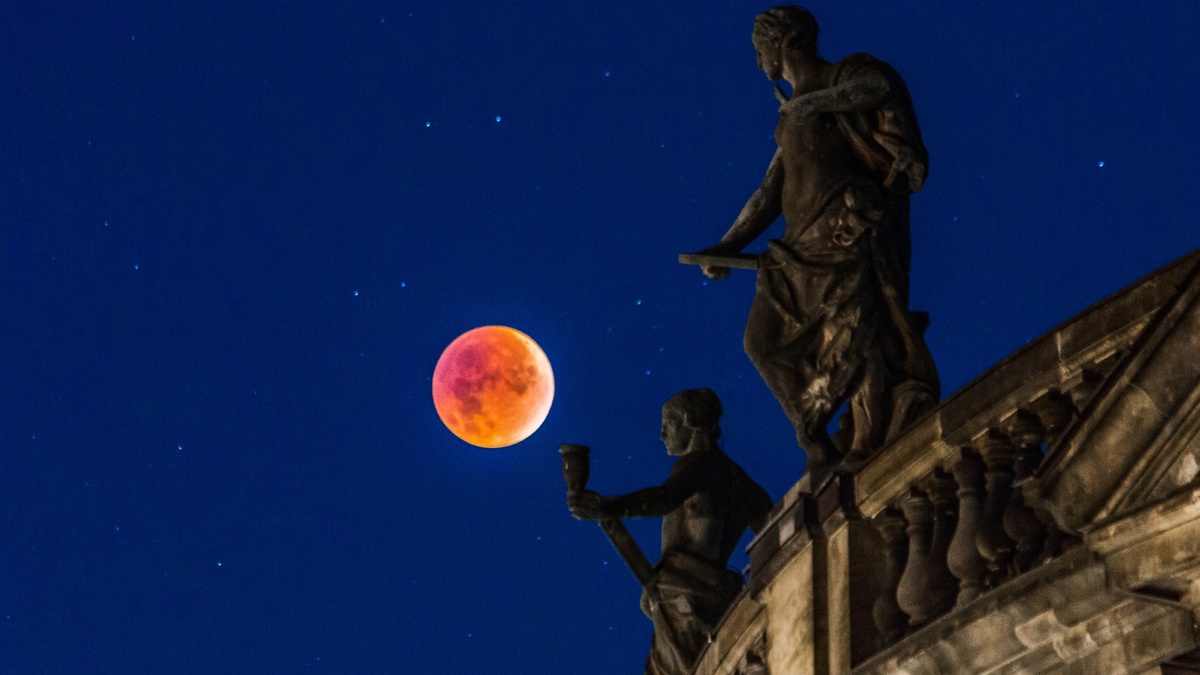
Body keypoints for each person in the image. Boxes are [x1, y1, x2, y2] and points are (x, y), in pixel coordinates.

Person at [698, 6, 939, 482]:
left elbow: (879, 87)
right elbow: (770, 192)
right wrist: (726, 246)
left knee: (856, 338)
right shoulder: (789, 116)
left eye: (759, 50)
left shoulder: (842, 75)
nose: (758, 62)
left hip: (845, 230)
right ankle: (815, 441)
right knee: (759, 343)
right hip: (795, 250)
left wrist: (816, 104)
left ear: (780, 42)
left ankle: (867, 441)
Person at [568, 389, 774, 675]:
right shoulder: (743, 483)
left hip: (683, 596)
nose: (662, 434)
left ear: (689, 420)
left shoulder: (699, 464)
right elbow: (772, 526)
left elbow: (663, 498)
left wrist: (608, 506)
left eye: (669, 423)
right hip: (711, 599)